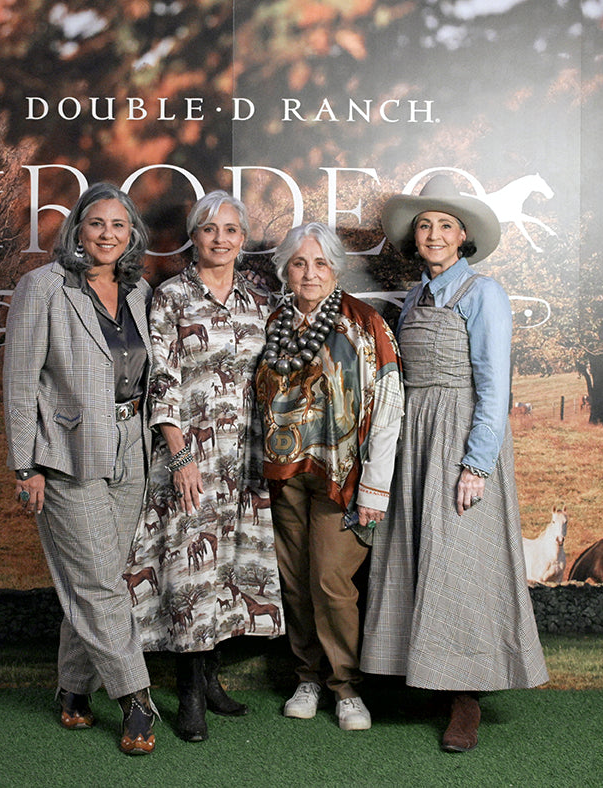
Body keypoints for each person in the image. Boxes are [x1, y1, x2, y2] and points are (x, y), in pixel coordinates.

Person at [362, 175, 549, 753]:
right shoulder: (415, 297)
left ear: (463, 236)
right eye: (425, 225)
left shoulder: (484, 293)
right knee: (418, 553)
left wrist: (477, 464)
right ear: (414, 239)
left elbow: (494, 386)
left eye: (446, 225)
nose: (435, 234)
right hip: (415, 433)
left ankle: (465, 700)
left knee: (461, 561)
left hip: (460, 432)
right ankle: (422, 676)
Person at [2, 182, 159, 756]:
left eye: (119, 226)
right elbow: (20, 384)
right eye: (97, 224)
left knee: (93, 582)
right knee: (96, 583)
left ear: (132, 234)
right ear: (77, 230)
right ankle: (136, 699)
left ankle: (72, 691)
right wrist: (26, 467)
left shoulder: (139, 289)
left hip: (131, 451)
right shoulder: (42, 287)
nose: (108, 235)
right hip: (65, 456)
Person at [126, 190, 281, 743]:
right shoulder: (170, 297)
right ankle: (188, 691)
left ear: (243, 239)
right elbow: (160, 378)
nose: (221, 239)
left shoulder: (260, 300)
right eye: (210, 229)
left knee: (229, 566)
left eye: (232, 230)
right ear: (194, 235)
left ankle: (213, 679)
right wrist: (181, 454)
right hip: (191, 454)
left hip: (246, 456)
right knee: (191, 571)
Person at [254, 222, 403, 732]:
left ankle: (345, 687)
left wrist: (376, 488)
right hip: (283, 471)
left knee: (330, 580)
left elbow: (388, 408)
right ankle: (307, 678)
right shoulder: (273, 323)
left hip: (343, 473)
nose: (310, 273)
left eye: (320, 263)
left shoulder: (365, 324)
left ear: (336, 268)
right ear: (285, 270)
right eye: (299, 263)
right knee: (294, 581)